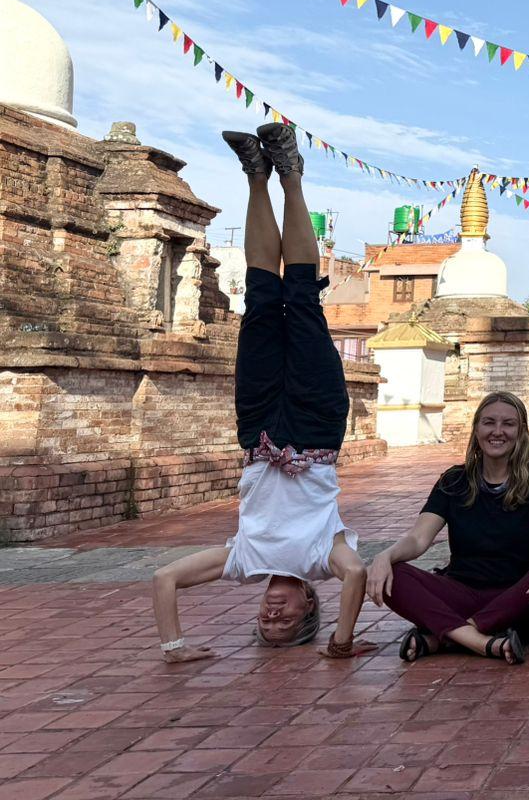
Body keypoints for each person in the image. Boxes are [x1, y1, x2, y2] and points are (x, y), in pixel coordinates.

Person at [151, 125, 374, 663]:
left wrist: (175, 647)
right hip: (317, 426)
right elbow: (358, 576)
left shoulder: (243, 561)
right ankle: (291, 174)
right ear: (309, 607)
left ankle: (256, 175)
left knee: (259, 297)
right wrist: (341, 643)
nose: (272, 614)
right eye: (285, 622)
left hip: (258, 432)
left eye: (265, 622)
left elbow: (164, 579)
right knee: (299, 300)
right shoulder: (326, 558)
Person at [365, 392, 529, 664]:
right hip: (461, 592)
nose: (497, 431)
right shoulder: (454, 480)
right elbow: (418, 539)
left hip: (517, 596)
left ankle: (444, 636)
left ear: (521, 432)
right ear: (476, 429)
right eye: (489, 422)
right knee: (394, 575)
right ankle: (483, 641)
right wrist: (384, 557)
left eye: (508, 424)